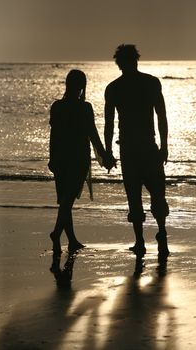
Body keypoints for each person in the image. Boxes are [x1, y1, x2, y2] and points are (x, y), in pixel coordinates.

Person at [104, 44, 170, 258]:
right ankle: (162, 234)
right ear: (136, 60)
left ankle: (140, 242)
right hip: (148, 147)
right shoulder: (151, 83)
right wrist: (165, 145)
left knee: (134, 197)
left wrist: (107, 151)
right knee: (157, 195)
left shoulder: (114, 88)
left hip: (130, 151)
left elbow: (109, 124)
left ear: (119, 64)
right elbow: (161, 116)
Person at [49, 69, 115, 255]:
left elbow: (54, 137)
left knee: (65, 200)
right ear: (81, 87)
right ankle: (56, 234)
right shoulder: (84, 108)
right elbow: (93, 136)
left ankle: (71, 240)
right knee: (67, 200)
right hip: (78, 159)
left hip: (61, 158)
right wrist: (105, 155)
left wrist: (52, 158)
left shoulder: (58, 107)